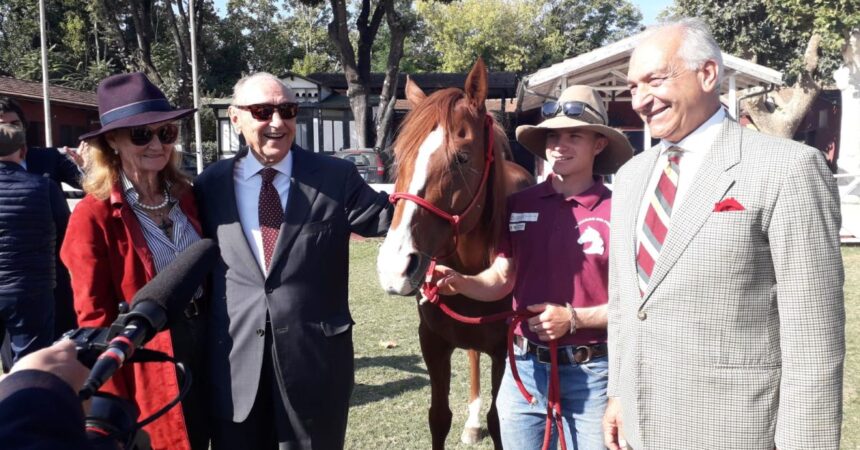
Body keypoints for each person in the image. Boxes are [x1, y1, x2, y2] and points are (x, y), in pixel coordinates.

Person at [602, 18, 844, 450]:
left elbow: (814, 342)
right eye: (633, 87)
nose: (640, 100)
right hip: (641, 430)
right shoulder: (630, 177)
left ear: (708, 74)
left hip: (734, 432)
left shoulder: (787, 169)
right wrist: (619, 393)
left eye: (653, 81)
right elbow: (626, 305)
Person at [194, 72, 392, 450]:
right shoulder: (209, 184)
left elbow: (392, 223)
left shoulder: (336, 177)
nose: (277, 122)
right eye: (262, 111)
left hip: (314, 364)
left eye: (287, 110)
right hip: (234, 368)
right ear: (235, 118)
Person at [431, 85, 633, 449]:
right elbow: (502, 278)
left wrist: (574, 320)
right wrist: (460, 282)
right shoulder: (519, 204)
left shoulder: (619, 211)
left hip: (593, 373)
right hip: (523, 369)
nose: (560, 145)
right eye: (553, 136)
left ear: (599, 144)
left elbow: (636, 305)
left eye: (575, 136)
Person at [60, 72, 208, 450]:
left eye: (167, 132)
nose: (158, 144)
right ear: (112, 140)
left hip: (211, 340)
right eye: (142, 135)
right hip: (149, 357)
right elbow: (94, 320)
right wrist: (113, 403)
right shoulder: (92, 216)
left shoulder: (188, 196)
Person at [0, 97, 80, 340]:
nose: (9, 130)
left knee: (47, 351)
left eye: (14, 124)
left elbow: (91, 186)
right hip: (7, 278)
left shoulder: (49, 158)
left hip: (48, 274)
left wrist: (88, 167)